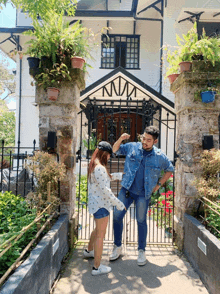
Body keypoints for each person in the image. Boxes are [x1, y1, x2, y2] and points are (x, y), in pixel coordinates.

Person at [109, 125, 174, 266]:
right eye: (143, 138)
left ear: (155, 141)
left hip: (143, 194)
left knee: (141, 220)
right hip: (126, 190)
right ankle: (117, 246)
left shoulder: (159, 156)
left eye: (148, 140)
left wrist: (159, 185)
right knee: (116, 216)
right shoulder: (132, 147)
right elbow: (115, 149)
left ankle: (141, 250)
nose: (144, 141)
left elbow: (170, 169)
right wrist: (120, 138)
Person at [83, 141, 126, 276]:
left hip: (96, 204)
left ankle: (89, 251)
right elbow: (106, 190)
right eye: (109, 156)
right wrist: (119, 204)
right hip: (101, 205)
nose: (109, 158)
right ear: (104, 154)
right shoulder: (100, 168)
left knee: (97, 230)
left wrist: (120, 175)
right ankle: (97, 267)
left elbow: (105, 180)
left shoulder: (94, 165)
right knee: (101, 236)